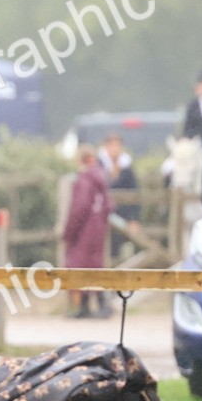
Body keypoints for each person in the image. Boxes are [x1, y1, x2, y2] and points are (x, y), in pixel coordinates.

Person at [63, 144, 114, 318]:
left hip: (84, 230)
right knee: (95, 265)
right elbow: (108, 205)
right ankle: (96, 304)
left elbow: (80, 207)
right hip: (97, 228)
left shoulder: (84, 179)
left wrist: (69, 231)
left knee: (79, 266)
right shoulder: (100, 178)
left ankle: (91, 305)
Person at [99, 133, 140, 261]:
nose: (114, 149)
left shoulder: (127, 169)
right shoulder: (99, 166)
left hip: (123, 218)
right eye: (112, 145)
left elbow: (135, 194)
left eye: (117, 145)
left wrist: (134, 218)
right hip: (103, 218)